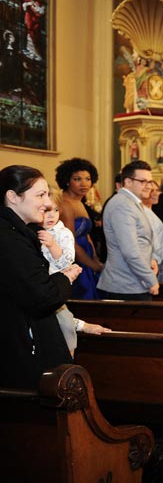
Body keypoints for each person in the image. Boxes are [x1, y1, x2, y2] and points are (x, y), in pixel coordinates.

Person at [0, 165, 82, 388]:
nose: (47, 203)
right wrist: (65, 278)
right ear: (13, 197)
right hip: (20, 345)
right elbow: (43, 295)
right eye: (40, 195)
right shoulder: (10, 239)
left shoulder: (20, 232)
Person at [38, 190, 110, 356]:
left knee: (64, 321)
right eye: (46, 211)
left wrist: (52, 245)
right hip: (40, 285)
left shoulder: (62, 233)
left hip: (56, 285)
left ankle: (69, 358)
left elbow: (66, 262)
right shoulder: (31, 230)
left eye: (56, 210)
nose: (51, 216)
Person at [97, 161, 159, 300]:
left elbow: (141, 239)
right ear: (128, 182)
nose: (149, 186)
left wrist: (151, 259)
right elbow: (130, 251)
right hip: (125, 284)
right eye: (143, 181)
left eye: (150, 182)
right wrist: (150, 279)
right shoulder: (122, 205)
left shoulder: (131, 203)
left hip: (133, 282)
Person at [55, 158, 103, 299]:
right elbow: (70, 241)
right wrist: (93, 265)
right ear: (67, 180)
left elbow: (86, 234)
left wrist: (95, 258)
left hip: (85, 254)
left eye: (88, 179)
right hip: (74, 258)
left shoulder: (79, 202)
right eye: (77, 179)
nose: (84, 183)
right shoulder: (65, 204)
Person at [142, 181, 163, 284]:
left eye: (157, 190)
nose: (155, 193)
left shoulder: (150, 212)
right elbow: (155, 244)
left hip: (156, 263)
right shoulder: (143, 214)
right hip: (151, 263)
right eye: (151, 190)